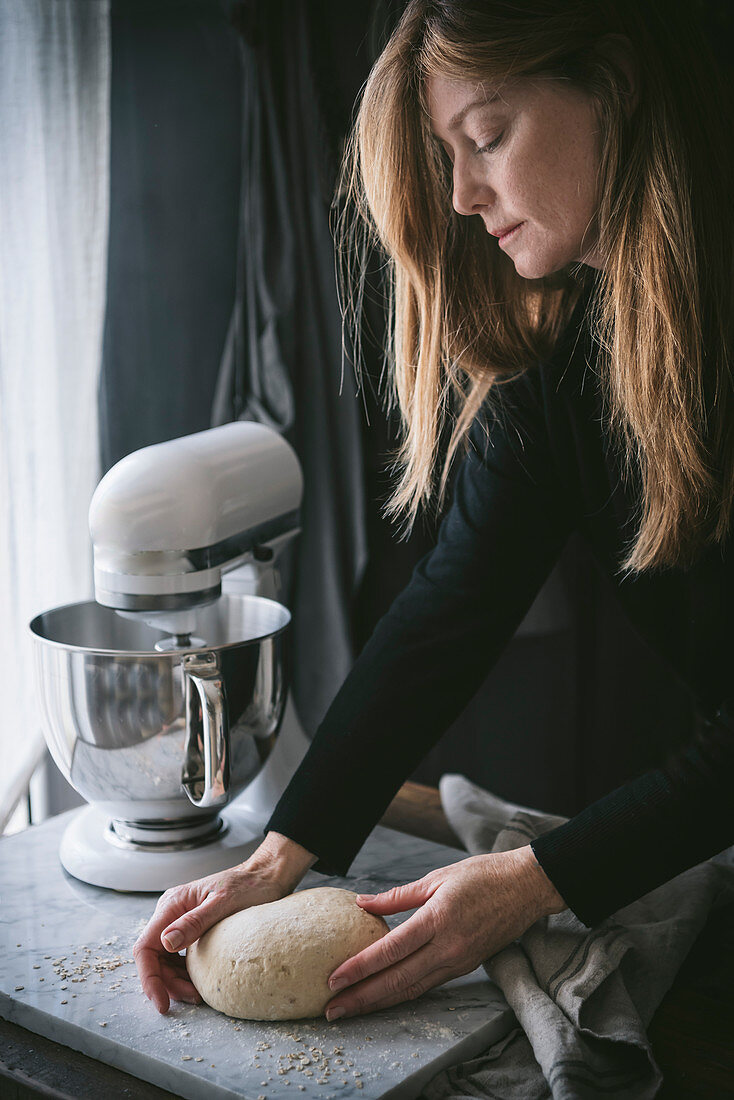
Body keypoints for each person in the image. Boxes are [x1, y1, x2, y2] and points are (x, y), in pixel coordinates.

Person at [134, 0, 734, 1023]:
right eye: (445, 153)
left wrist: (536, 878)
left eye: (488, 135)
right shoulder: (565, 364)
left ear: (617, 84)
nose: (460, 194)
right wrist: (280, 852)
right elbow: (450, 604)